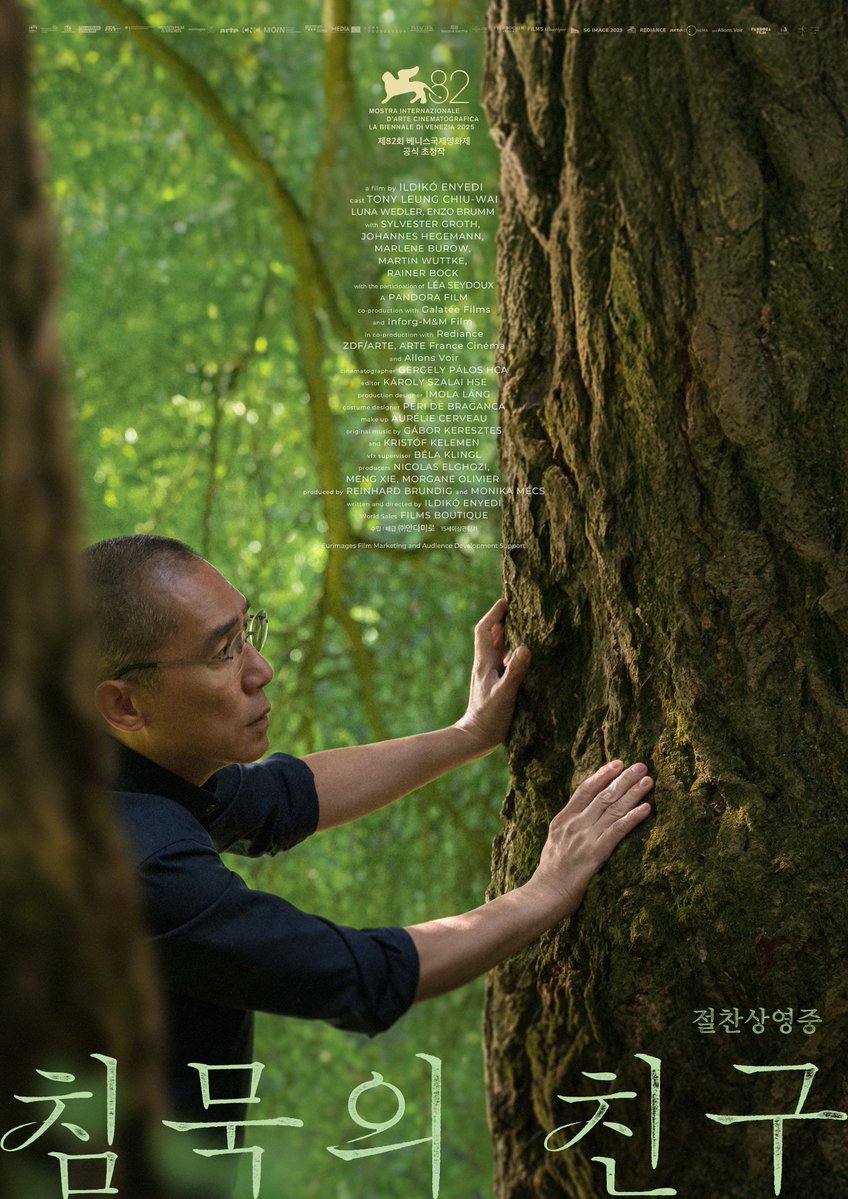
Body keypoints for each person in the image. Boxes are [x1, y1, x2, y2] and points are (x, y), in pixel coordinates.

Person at [84, 534, 653, 1135]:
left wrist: (468, 735)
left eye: (247, 631)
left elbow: (285, 796)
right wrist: (548, 891)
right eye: (223, 651)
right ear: (124, 706)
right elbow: (357, 974)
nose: (261, 670)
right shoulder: (135, 864)